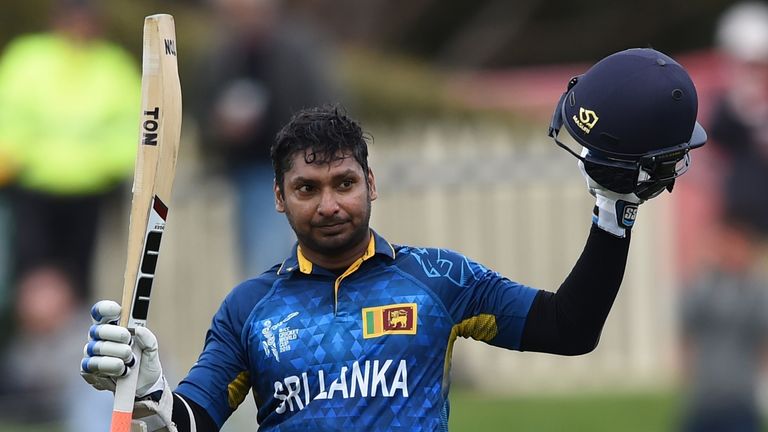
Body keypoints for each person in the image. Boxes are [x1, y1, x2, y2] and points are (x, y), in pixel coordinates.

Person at [79, 48, 707, 431]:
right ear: (279, 197)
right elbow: (191, 425)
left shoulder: (440, 280)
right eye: (307, 188)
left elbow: (570, 329)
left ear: (371, 183)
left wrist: (613, 215)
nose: (329, 204)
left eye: (344, 182)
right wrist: (151, 393)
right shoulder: (249, 310)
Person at [0, 0, 140, 302]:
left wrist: (106, 165)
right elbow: (9, 115)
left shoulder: (113, 66)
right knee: (31, 276)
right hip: (32, 187)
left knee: (77, 276)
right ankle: (32, 344)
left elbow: (132, 126)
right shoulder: (28, 59)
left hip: (89, 191)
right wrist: (16, 157)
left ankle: (73, 344)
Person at [192, 0, 339, 279]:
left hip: (291, 169)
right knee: (265, 257)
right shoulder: (223, 55)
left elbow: (325, 104)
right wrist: (220, 127)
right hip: (245, 171)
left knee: (273, 258)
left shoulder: (297, 51)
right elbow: (203, 109)